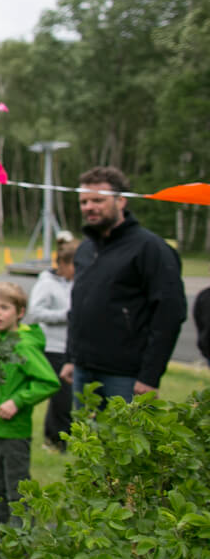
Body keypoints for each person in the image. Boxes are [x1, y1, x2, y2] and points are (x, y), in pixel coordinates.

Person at [60, 167, 186, 406]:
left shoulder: (151, 249)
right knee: (84, 441)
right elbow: (78, 307)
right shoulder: (85, 250)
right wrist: (71, 357)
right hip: (83, 370)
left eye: (98, 200)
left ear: (121, 201)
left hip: (125, 375)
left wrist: (150, 376)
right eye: (84, 201)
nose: (89, 207)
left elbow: (170, 314)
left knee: (121, 443)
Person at [0, 282, 60, 525]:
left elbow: (48, 382)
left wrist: (17, 401)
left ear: (20, 312)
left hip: (13, 432)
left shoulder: (24, 345)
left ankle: (19, 542)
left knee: (16, 491)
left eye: (4, 307)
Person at [23, 236, 78, 452]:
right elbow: (35, 313)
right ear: (62, 263)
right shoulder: (46, 283)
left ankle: (56, 438)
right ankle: (56, 440)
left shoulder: (77, 282)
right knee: (61, 397)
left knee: (65, 397)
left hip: (72, 347)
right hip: (53, 347)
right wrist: (67, 315)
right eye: (74, 265)